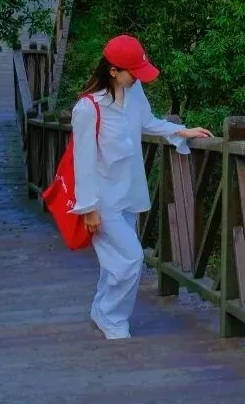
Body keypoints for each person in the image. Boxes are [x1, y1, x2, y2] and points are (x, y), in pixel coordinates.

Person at [71, 36, 211, 340]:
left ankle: (101, 309)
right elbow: (82, 161)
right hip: (103, 200)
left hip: (129, 192)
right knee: (132, 257)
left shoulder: (134, 93)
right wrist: (89, 208)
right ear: (113, 70)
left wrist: (181, 131)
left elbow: (148, 122)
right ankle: (112, 318)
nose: (137, 78)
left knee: (117, 260)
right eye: (132, 72)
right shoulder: (88, 108)